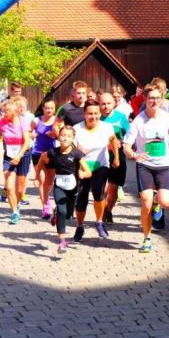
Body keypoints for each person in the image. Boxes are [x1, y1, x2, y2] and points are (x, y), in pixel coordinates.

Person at [123, 85, 169, 253]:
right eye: (151, 98)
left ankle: (157, 202)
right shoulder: (138, 121)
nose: (154, 101)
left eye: (157, 98)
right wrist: (134, 155)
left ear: (161, 99)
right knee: (146, 203)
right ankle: (147, 238)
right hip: (145, 166)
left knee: (165, 202)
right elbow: (126, 145)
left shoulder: (167, 117)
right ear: (145, 100)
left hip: (163, 165)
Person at [36, 125, 91, 253]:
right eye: (63, 135)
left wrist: (83, 174)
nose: (65, 138)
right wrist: (37, 176)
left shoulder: (77, 153)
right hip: (59, 186)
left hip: (73, 188)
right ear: (58, 137)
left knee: (67, 214)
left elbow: (88, 172)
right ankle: (61, 241)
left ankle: (56, 213)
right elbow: (42, 159)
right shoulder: (53, 152)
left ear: (73, 138)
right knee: (62, 210)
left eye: (69, 136)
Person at [72, 99, 117, 242]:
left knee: (98, 193)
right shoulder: (77, 129)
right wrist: (78, 152)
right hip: (83, 166)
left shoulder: (107, 127)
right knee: (81, 198)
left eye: (96, 113)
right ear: (84, 114)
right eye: (90, 114)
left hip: (100, 165)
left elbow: (113, 140)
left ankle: (99, 222)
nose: (93, 117)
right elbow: (71, 148)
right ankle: (80, 227)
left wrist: (116, 158)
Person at [99, 92, 130, 224]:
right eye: (103, 104)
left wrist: (122, 142)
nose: (106, 106)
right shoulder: (96, 117)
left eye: (108, 103)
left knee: (113, 188)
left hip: (117, 156)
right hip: (100, 155)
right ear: (99, 104)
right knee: (103, 188)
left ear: (114, 103)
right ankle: (101, 212)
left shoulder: (121, 117)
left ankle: (108, 210)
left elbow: (130, 134)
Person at [32, 99, 58, 219]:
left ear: (54, 109)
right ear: (43, 108)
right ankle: (45, 207)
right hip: (37, 153)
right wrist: (33, 135)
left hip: (52, 153)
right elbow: (28, 133)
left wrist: (54, 135)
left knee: (49, 182)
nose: (49, 110)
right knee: (42, 180)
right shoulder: (36, 120)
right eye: (47, 108)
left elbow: (62, 135)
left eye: (51, 108)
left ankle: (47, 199)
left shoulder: (57, 121)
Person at [11, 95, 35, 207]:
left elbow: (34, 132)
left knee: (23, 175)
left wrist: (30, 134)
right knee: (12, 176)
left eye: (23, 106)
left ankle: (21, 195)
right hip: (13, 150)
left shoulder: (30, 117)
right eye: (19, 106)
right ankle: (9, 192)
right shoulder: (9, 117)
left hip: (26, 149)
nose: (21, 108)